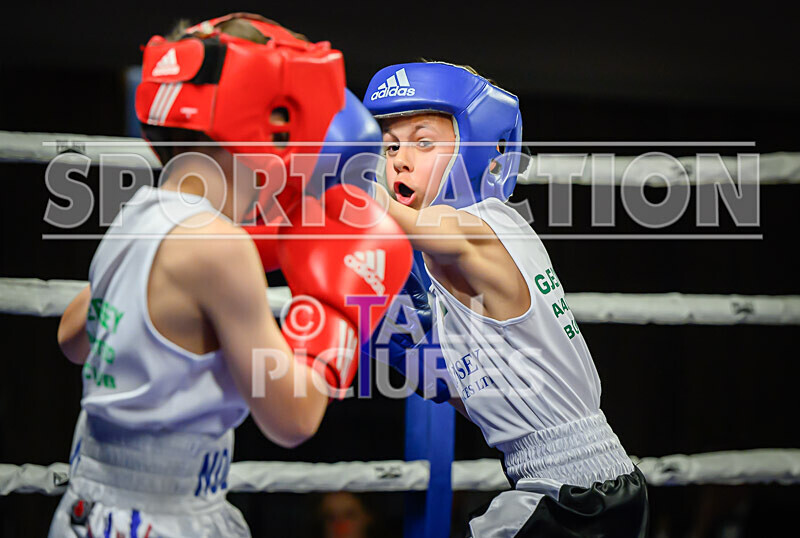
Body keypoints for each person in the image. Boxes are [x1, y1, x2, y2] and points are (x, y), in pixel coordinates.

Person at [50, 13, 412, 537]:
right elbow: (293, 419)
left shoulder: (139, 214)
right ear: (273, 122)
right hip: (159, 519)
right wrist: (339, 311)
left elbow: (72, 339)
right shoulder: (219, 249)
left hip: (91, 504)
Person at [363, 62, 649, 537]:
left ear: (478, 150)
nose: (400, 159)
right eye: (390, 145)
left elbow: (415, 226)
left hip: (571, 494)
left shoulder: (486, 224)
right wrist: (415, 360)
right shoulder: (447, 269)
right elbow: (487, 400)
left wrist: (328, 174)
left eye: (424, 141)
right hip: (576, 486)